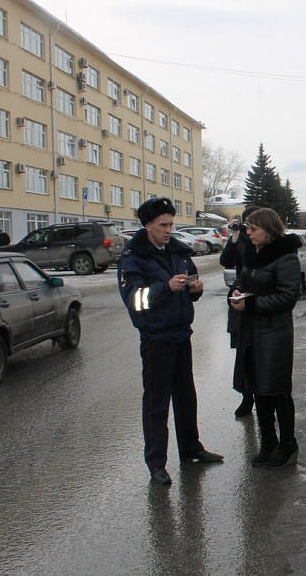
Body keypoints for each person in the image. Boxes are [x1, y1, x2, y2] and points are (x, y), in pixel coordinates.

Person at [118, 197, 223, 485]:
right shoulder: (133, 257)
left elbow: (190, 282)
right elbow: (135, 301)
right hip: (156, 338)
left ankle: (191, 449)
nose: (168, 230)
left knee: (186, 396)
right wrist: (165, 287)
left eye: (171, 224)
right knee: (156, 402)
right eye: (163, 225)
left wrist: (194, 289)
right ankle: (156, 463)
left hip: (181, 334)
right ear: (148, 225)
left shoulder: (177, 250)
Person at [228, 208, 302, 469]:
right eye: (247, 228)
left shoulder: (286, 257)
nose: (248, 233)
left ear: (270, 231)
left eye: (253, 229)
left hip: (275, 333)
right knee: (258, 389)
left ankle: (288, 444)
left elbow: (287, 297)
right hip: (251, 331)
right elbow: (244, 280)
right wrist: (237, 291)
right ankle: (268, 442)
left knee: (277, 390)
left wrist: (251, 305)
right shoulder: (252, 253)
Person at [219, 205, 261, 418]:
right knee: (242, 354)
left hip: (257, 301)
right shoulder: (241, 238)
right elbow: (225, 260)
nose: (250, 229)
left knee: (259, 353)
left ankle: (262, 397)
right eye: (247, 223)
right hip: (239, 299)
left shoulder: (264, 242)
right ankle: (247, 397)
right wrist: (235, 236)